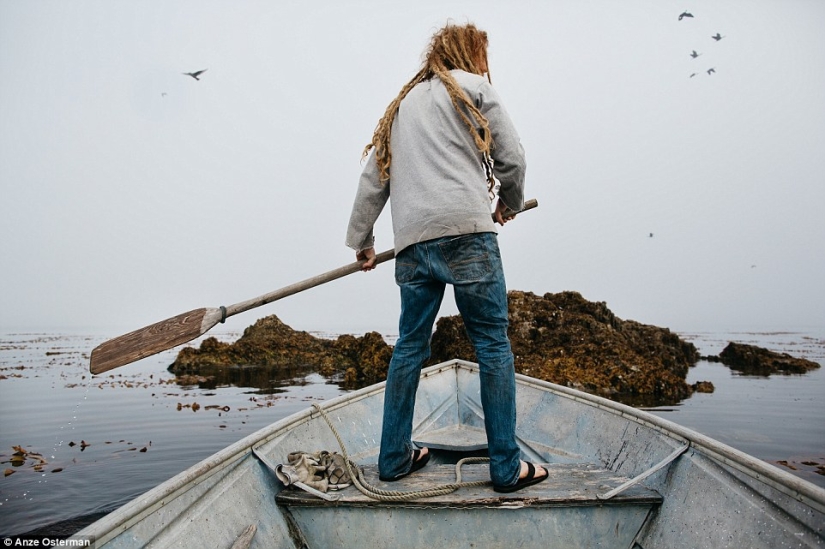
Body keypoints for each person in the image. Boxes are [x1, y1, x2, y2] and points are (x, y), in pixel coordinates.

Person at [345, 22, 547, 493]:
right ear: (471, 54)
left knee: (409, 346)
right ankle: (505, 469)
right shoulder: (474, 89)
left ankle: (393, 458)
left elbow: (373, 179)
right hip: (467, 235)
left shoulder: (399, 110)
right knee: (492, 345)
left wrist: (363, 240)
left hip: (414, 243)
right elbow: (512, 157)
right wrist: (509, 203)